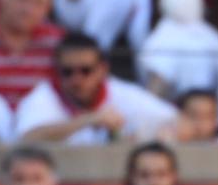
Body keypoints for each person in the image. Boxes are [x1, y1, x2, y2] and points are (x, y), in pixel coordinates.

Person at [16, 32, 181, 145]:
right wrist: (89, 120)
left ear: (102, 69)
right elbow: (26, 140)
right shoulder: (44, 96)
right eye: (67, 72)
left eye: (85, 71)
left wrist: (160, 136)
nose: (76, 79)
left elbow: (178, 121)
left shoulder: (122, 93)